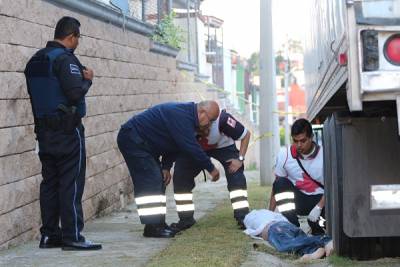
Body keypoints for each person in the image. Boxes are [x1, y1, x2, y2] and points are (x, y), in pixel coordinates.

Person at [24, 17, 101, 250]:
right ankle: (73, 237)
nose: (78, 42)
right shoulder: (65, 60)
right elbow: (75, 93)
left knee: (49, 183)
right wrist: (88, 81)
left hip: (44, 133)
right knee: (71, 183)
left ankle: (49, 236)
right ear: (71, 36)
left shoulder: (35, 60)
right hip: (68, 132)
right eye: (78, 38)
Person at [117, 101, 220, 238]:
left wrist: (166, 167)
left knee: (159, 180)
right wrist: (211, 168)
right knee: (151, 181)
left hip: (145, 145)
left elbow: (173, 145)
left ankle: (158, 224)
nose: (210, 124)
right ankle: (152, 227)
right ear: (202, 112)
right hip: (133, 139)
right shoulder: (182, 116)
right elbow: (190, 146)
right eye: (211, 119)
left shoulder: (188, 118)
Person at [166, 110, 251, 232]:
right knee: (180, 176)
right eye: (200, 130)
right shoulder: (184, 124)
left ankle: (243, 217)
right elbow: (173, 146)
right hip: (196, 149)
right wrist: (166, 167)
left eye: (207, 128)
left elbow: (246, 135)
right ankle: (186, 219)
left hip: (223, 147)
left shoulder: (224, 120)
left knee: (236, 175)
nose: (205, 132)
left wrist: (240, 159)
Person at [268, 118, 325, 235]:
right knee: (280, 183)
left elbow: (333, 187)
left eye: (303, 141)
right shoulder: (285, 155)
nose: (299, 145)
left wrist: (319, 207)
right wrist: (270, 214)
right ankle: (293, 226)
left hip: (320, 201)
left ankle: (315, 227)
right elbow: (277, 187)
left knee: (320, 231)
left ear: (311, 137)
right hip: (299, 199)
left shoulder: (324, 155)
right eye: (295, 141)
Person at [243, 209, 333, 260]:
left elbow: (251, 232)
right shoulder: (268, 213)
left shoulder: (249, 218)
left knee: (284, 246)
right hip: (288, 226)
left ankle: (324, 239)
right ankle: (312, 251)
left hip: (275, 229)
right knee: (296, 245)